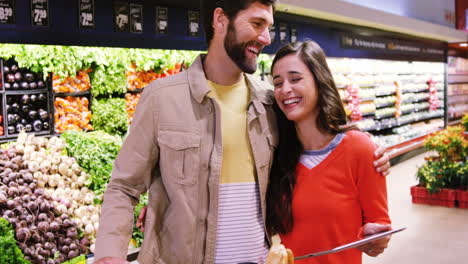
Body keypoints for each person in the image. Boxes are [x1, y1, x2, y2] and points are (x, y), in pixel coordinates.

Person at [94, 1, 391, 263]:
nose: (266, 38)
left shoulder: (269, 103)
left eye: (269, 27)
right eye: (257, 24)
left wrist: (368, 153)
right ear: (221, 19)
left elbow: (316, 143)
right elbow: (123, 187)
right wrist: (110, 253)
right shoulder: (162, 98)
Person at [266, 40, 392, 264]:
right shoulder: (276, 154)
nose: (285, 89)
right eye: (278, 83)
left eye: (295, 79)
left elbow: (379, 225)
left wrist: (376, 238)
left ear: (319, 81)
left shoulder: (360, 148)